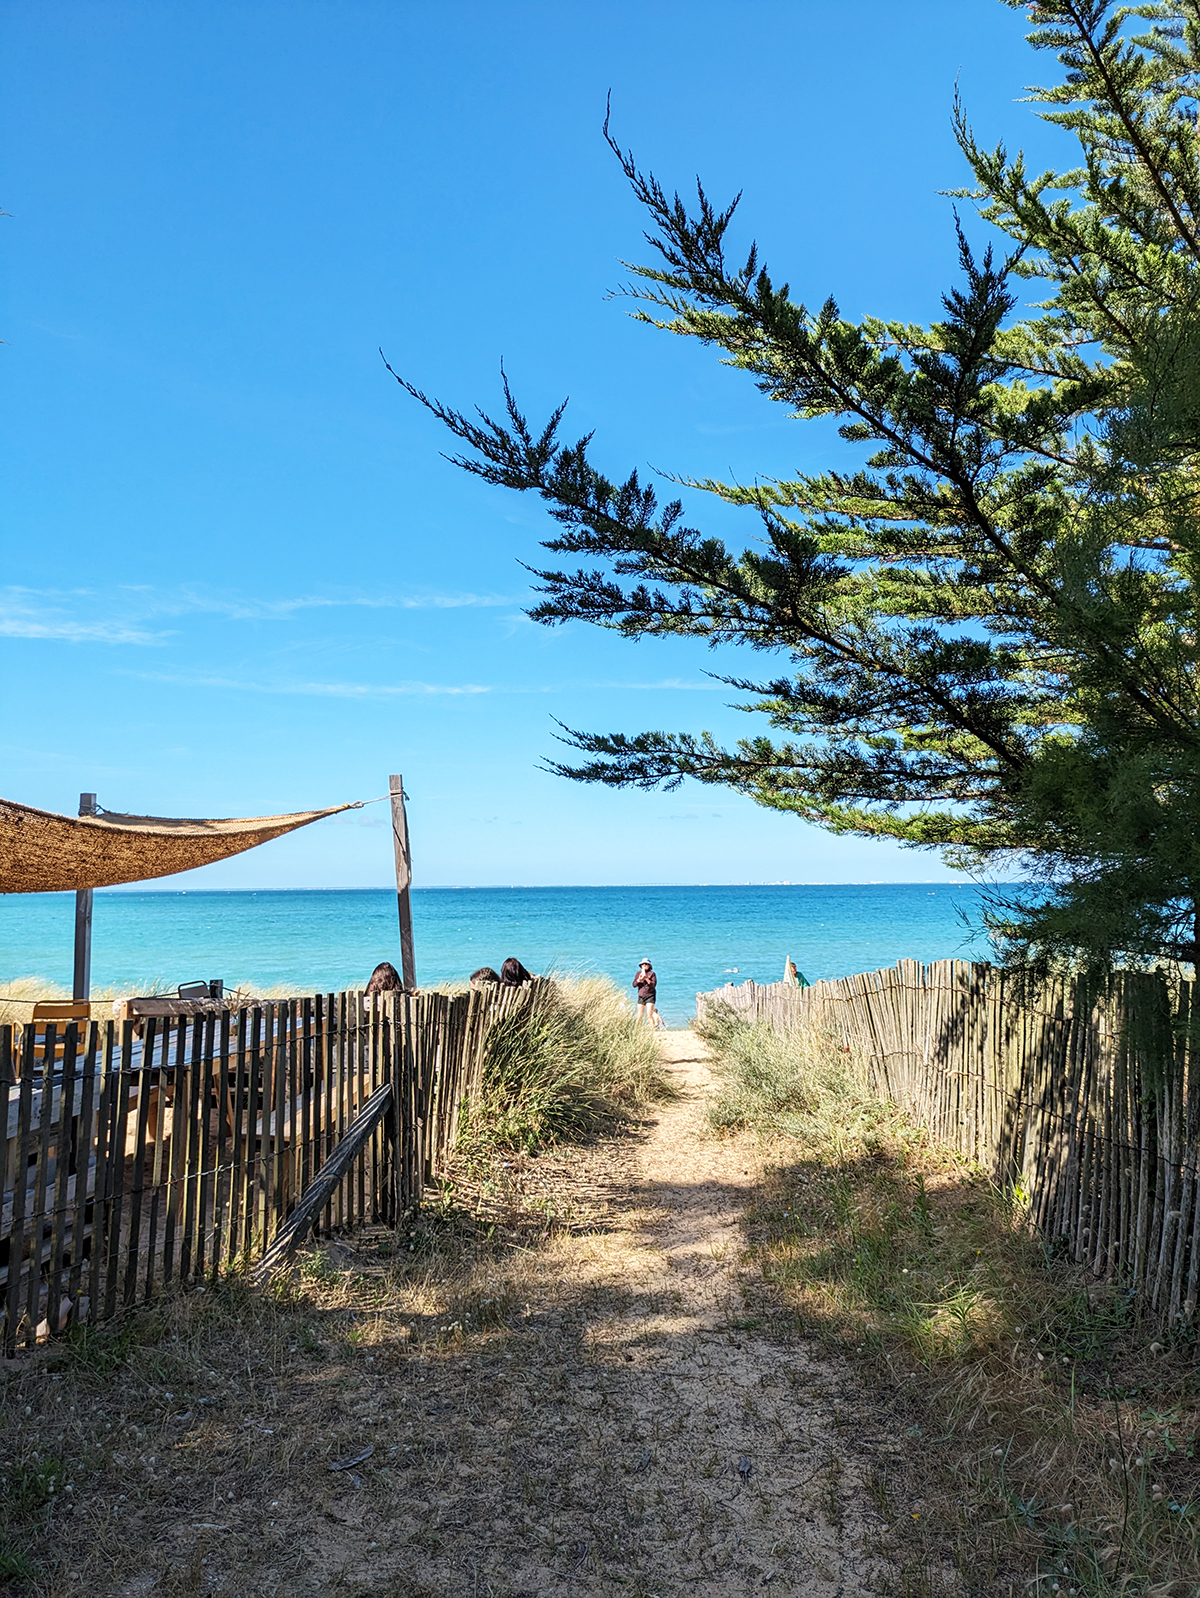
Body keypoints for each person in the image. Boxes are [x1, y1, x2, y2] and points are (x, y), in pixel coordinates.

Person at [632, 959, 662, 1027]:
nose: (644, 965)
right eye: (643, 964)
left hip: (650, 995)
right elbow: (634, 985)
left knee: (649, 1014)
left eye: (646, 964)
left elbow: (653, 985)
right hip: (641, 995)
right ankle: (636, 1029)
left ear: (649, 965)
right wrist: (638, 980)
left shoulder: (652, 974)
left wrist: (646, 979)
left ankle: (652, 1030)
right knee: (639, 1015)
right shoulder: (638, 974)